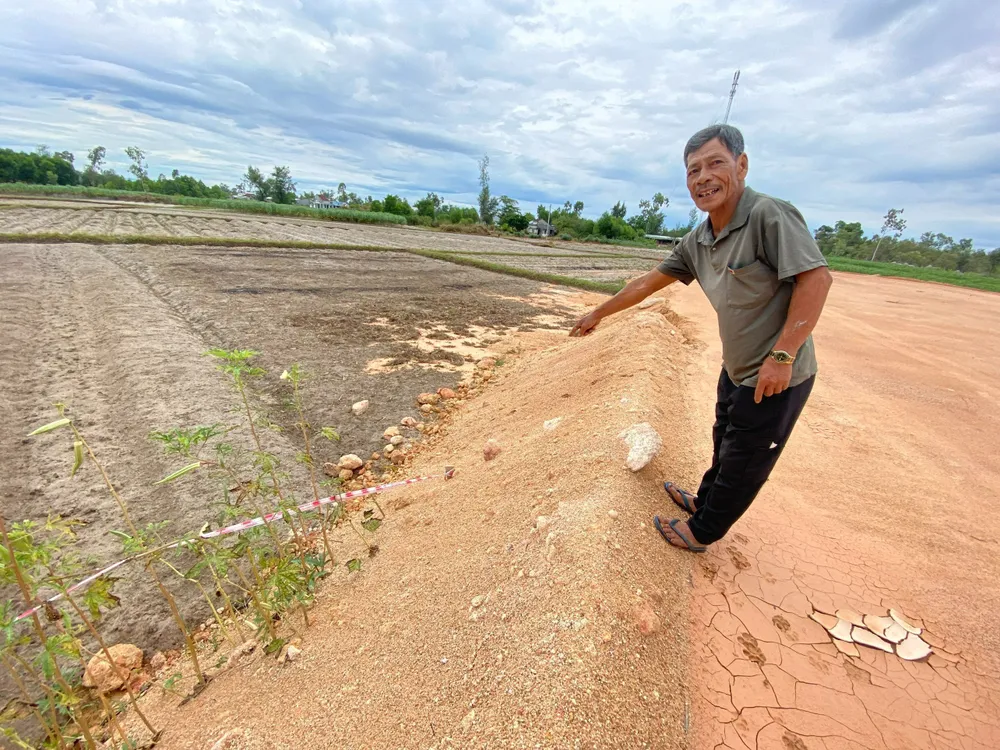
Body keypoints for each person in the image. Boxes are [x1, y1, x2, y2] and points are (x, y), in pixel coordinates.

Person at [569, 124, 833, 553]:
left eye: (716, 164)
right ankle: (705, 502)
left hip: (776, 375)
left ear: (741, 166)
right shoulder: (700, 238)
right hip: (737, 369)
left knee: (745, 461)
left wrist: (782, 356)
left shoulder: (769, 215)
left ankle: (703, 530)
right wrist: (598, 312)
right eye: (693, 170)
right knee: (725, 443)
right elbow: (647, 283)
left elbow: (816, 279)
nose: (703, 178)